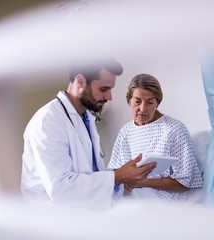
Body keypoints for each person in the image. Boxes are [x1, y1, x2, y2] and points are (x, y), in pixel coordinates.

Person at [21, 58, 156, 209]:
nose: (109, 97)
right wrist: (117, 177)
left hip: (81, 217)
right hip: (51, 221)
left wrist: (120, 182)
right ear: (80, 81)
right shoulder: (47, 121)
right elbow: (61, 190)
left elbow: (88, 173)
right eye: (103, 89)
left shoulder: (86, 119)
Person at [108, 73, 203, 201]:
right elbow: (114, 172)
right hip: (132, 194)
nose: (142, 108)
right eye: (137, 101)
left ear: (157, 103)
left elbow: (185, 183)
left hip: (166, 199)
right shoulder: (126, 131)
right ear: (129, 100)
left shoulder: (174, 129)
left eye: (150, 102)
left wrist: (141, 182)